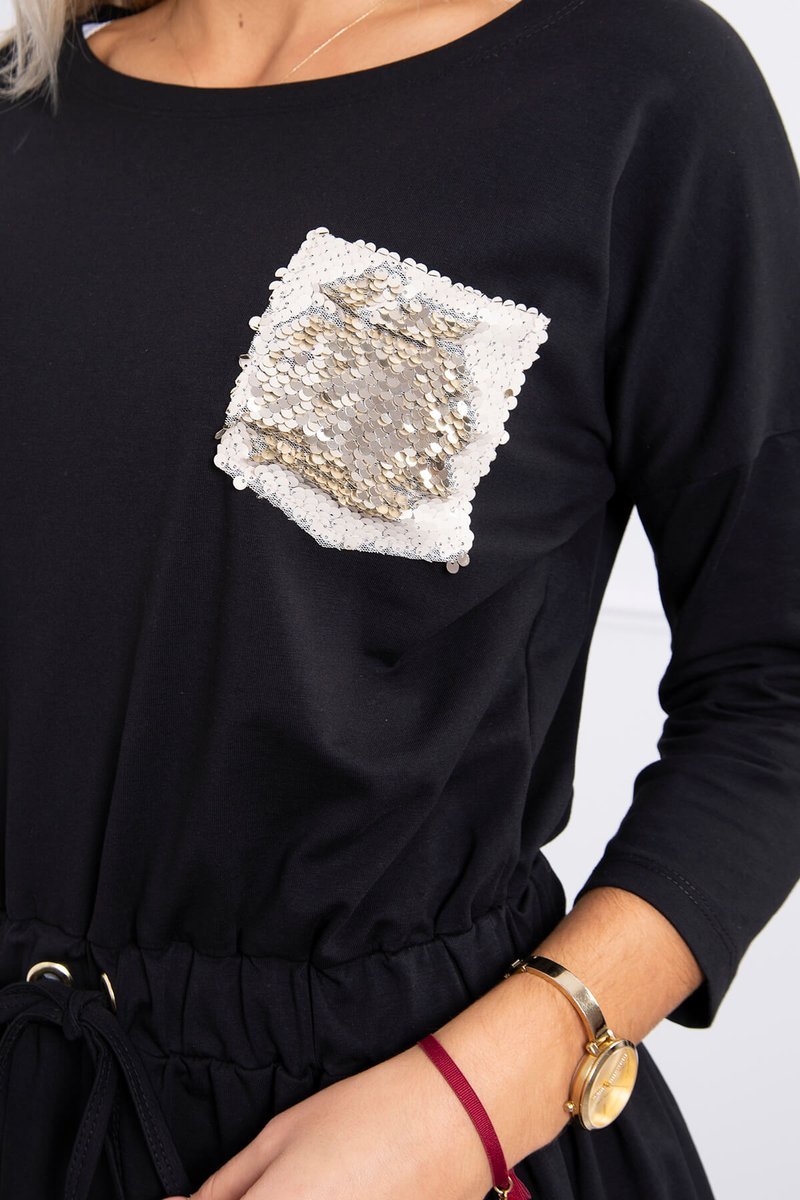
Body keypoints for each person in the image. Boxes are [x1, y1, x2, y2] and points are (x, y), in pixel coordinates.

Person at [0, 0, 798, 1197]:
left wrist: (473, 1103)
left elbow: (776, 686)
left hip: (412, 1122)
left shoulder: (636, 92)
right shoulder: (25, 109)